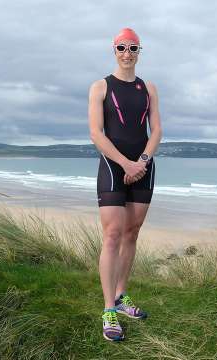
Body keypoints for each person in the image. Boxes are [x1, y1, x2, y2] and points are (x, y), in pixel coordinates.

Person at [88, 27, 163, 342]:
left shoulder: (149, 88)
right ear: (114, 50)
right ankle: (108, 310)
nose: (127, 53)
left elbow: (156, 130)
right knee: (113, 235)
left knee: (132, 232)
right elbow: (96, 133)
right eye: (121, 48)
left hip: (143, 166)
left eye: (133, 48)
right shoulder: (100, 87)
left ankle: (121, 296)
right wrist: (125, 164)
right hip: (113, 165)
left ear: (139, 51)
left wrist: (142, 162)